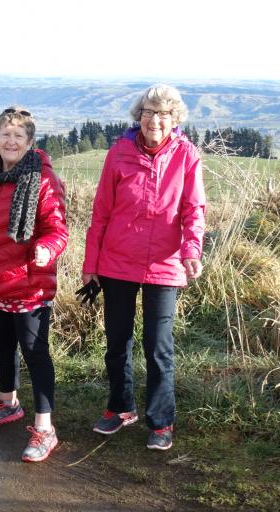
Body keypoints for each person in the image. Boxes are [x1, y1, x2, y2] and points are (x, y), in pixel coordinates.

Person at [82, 85, 206, 451]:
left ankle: (161, 420)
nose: (156, 120)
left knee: (159, 346)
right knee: (116, 342)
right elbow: (101, 212)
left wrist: (192, 251)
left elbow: (193, 209)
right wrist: (91, 264)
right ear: (139, 116)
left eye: (164, 114)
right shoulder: (119, 153)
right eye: (150, 112)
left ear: (175, 119)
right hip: (117, 262)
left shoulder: (187, 155)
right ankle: (120, 408)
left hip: (165, 265)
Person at [0, 107, 68, 462]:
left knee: (35, 353)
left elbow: (58, 230)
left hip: (28, 284)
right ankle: (8, 404)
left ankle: (45, 427)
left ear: (30, 142)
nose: (10, 141)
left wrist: (45, 248)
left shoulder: (43, 179)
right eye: (5, 134)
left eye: (18, 136)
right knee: (3, 345)